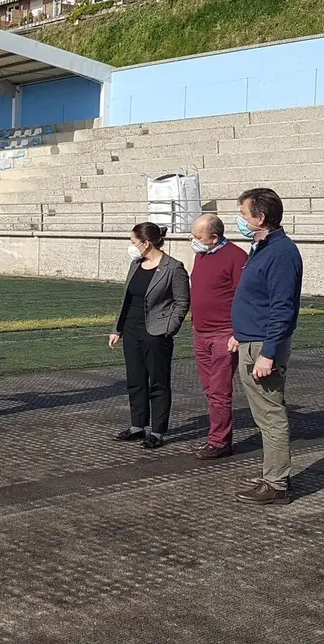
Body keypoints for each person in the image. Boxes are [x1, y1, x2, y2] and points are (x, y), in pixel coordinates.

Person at [230, 188, 303, 505]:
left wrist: (267, 354)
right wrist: (241, 333)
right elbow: (257, 301)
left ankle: (276, 484)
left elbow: (282, 308)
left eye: (244, 214)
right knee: (264, 415)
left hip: (263, 346)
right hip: (252, 340)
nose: (240, 220)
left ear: (260, 218)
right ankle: (273, 474)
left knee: (270, 415)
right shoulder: (262, 248)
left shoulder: (281, 253)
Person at [108, 222, 190, 449]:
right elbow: (126, 300)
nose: (132, 247)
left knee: (158, 381)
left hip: (156, 332)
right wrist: (117, 329)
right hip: (132, 330)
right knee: (135, 380)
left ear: (146, 243)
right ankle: (137, 425)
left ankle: (157, 431)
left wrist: (169, 328)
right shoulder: (135, 265)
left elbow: (182, 302)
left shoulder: (173, 268)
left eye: (134, 242)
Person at [189, 214, 248, 460]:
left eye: (198, 237)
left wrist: (238, 332)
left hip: (224, 333)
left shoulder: (236, 257)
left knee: (219, 390)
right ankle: (218, 435)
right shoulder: (202, 254)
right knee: (209, 389)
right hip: (201, 331)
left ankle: (219, 442)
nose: (194, 241)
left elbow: (244, 297)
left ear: (214, 238)